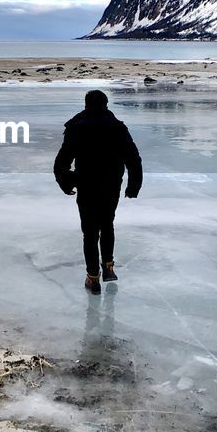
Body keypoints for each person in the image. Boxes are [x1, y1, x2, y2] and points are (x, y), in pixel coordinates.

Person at [53, 89, 142, 295]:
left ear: (86, 104)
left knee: (90, 232)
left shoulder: (76, 127)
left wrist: (66, 183)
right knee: (107, 224)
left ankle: (93, 278)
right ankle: (108, 268)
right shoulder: (118, 127)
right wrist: (133, 186)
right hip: (111, 185)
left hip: (87, 185)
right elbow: (133, 159)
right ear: (106, 104)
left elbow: (61, 162)